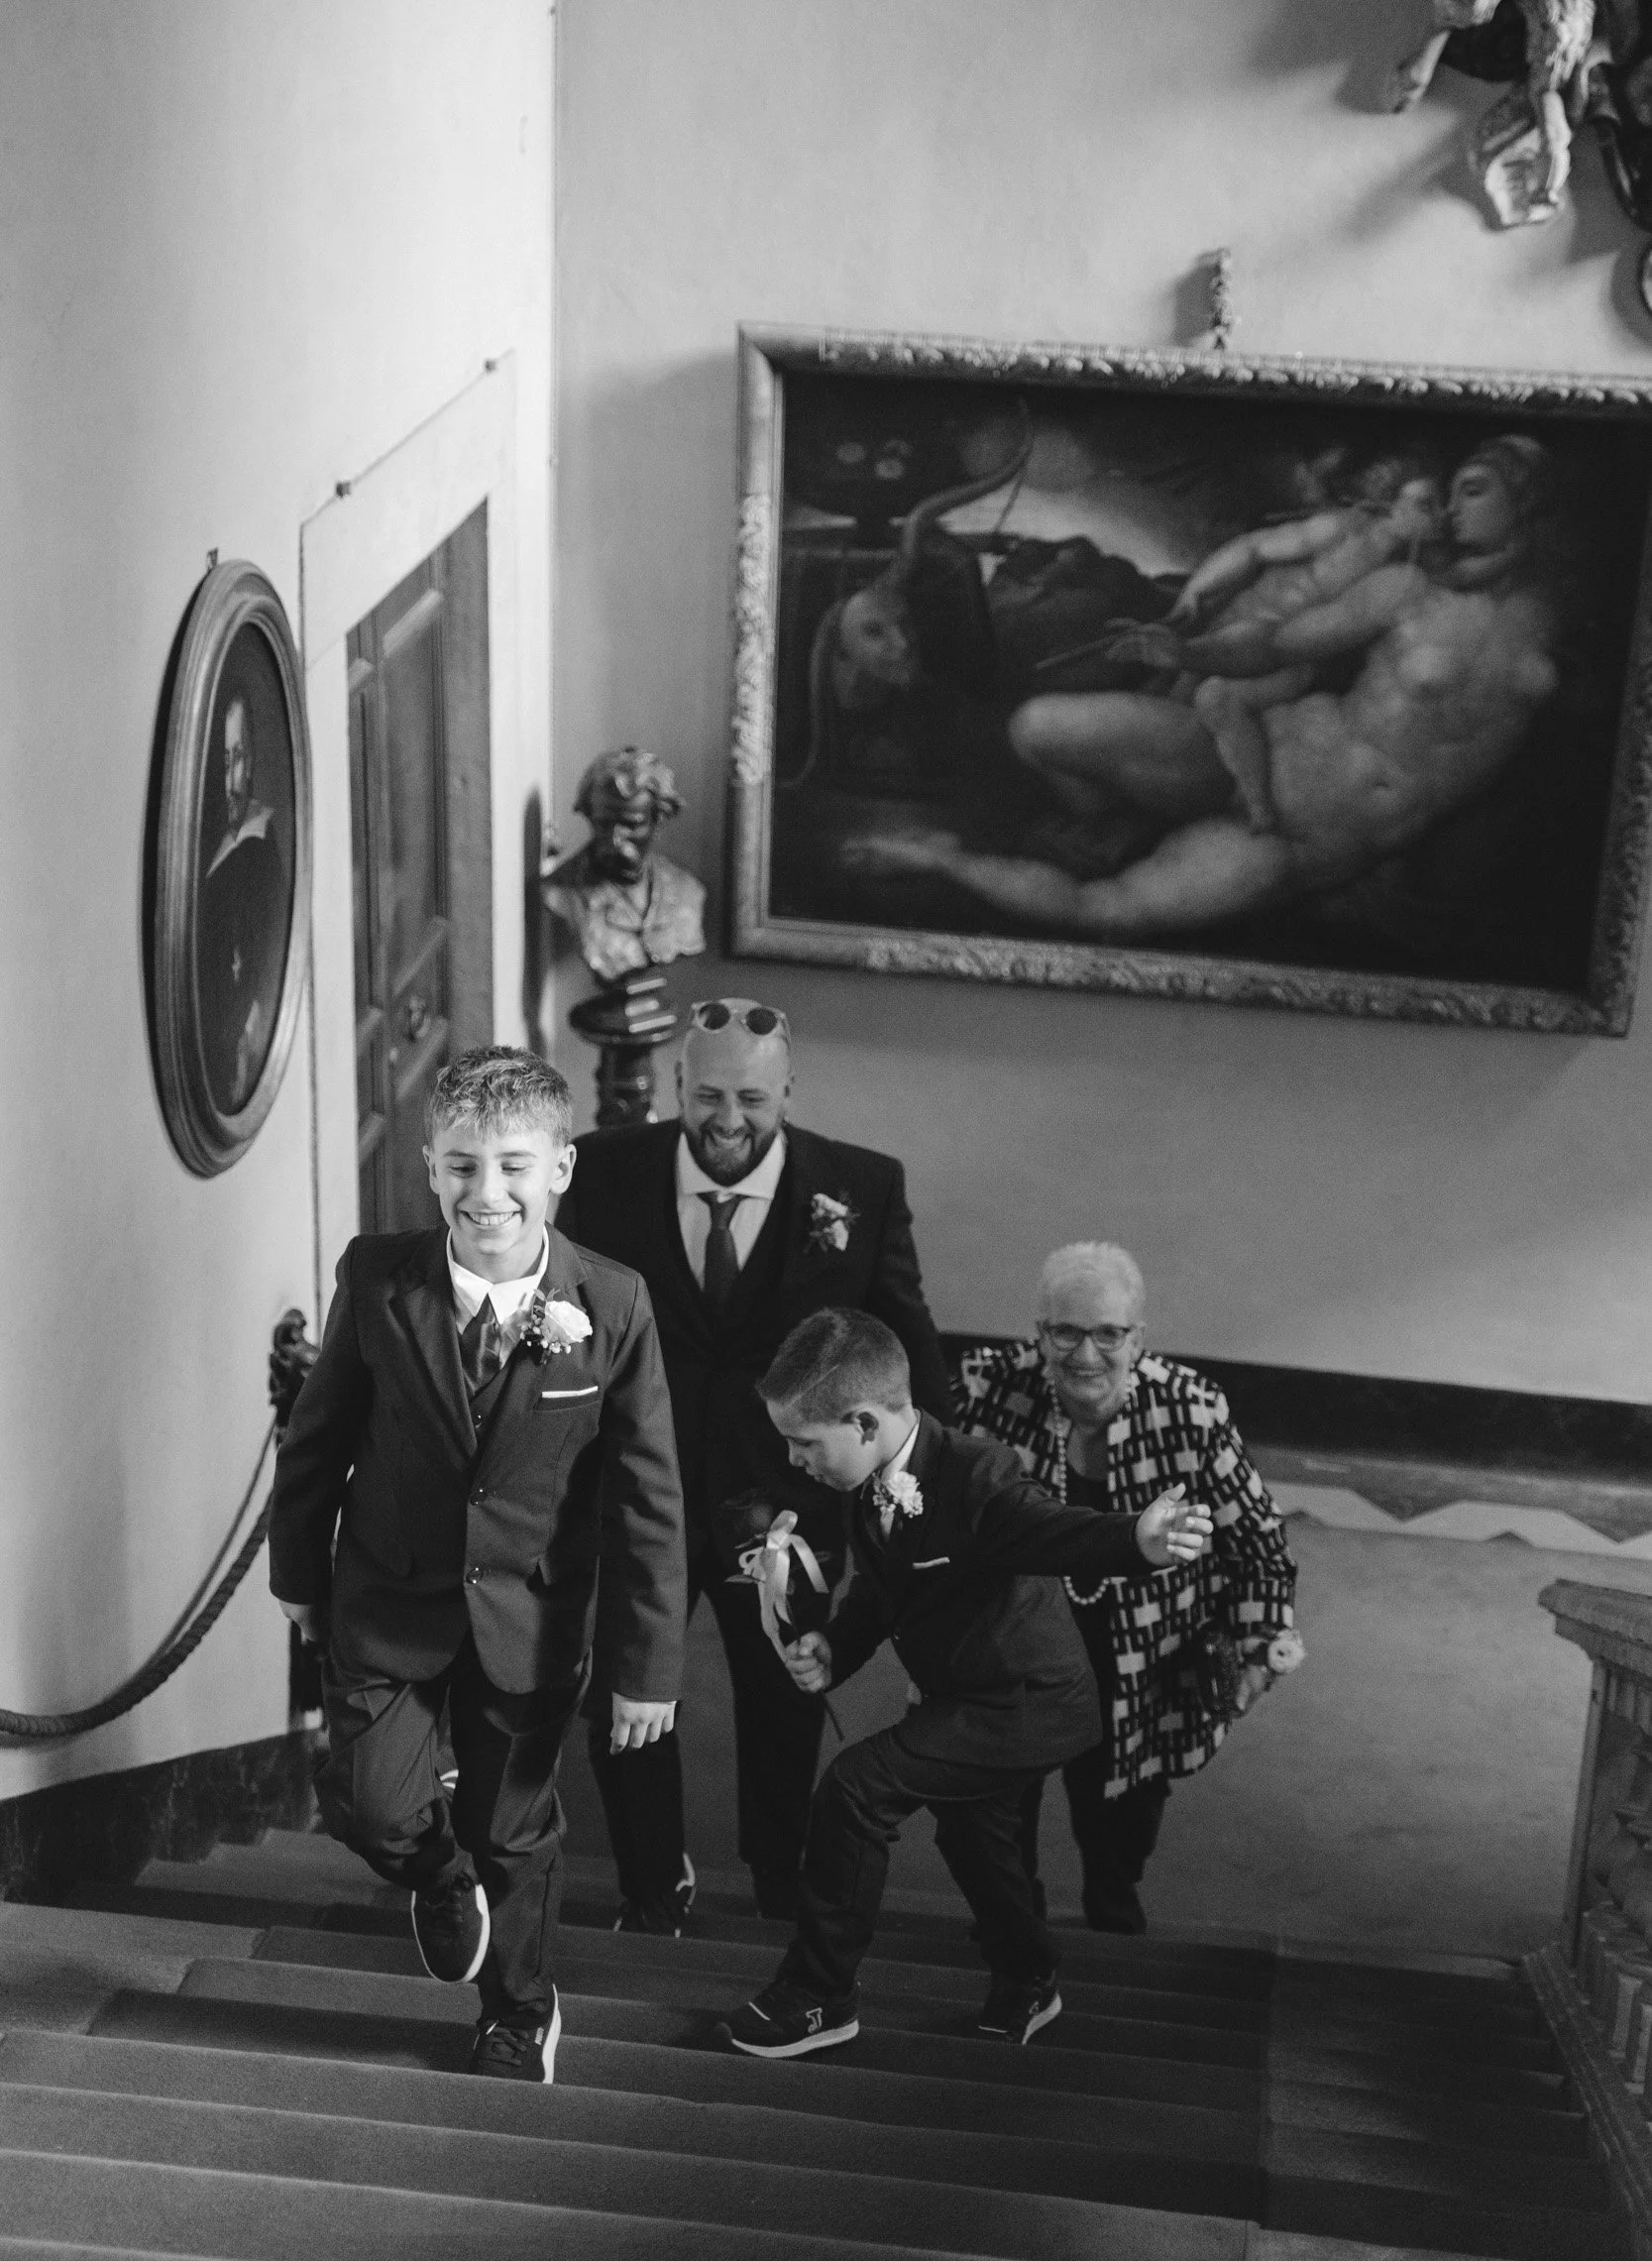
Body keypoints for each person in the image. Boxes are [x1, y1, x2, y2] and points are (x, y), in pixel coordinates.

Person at [269, 1046, 686, 2081]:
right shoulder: (377, 1277)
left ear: (560, 1169)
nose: (484, 1191)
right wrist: (299, 1579)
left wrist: (647, 1668)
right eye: (460, 1164)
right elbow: (318, 1437)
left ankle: (518, 2011)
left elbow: (647, 1499)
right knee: (369, 1804)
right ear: (428, 1165)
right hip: (385, 1595)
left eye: (511, 1165)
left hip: (530, 1617)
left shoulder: (615, 1303)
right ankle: (437, 1874)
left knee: (513, 1829)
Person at [714, 1308, 1213, 2058]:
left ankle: (818, 1994)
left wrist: (1135, 1540)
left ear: (864, 1422)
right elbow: (882, 1589)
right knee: (975, 1836)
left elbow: (1049, 1529)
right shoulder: (870, 1479)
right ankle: (1030, 1974)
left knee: (856, 1790)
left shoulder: (979, 1475)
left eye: (805, 1442)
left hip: (1027, 1703)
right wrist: (834, 1647)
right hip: (961, 1696)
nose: (793, 1459)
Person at [556, 998, 954, 1929]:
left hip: (787, 1500)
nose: (726, 1121)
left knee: (782, 1696)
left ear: (788, 1093)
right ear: (676, 1085)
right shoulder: (604, 1170)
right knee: (625, 1694)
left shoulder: (860, 1186)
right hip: (639, 1490)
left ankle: (779, 1878)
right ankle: (651, 1886)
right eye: (706, 1097)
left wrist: (931, 1477)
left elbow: (905, 1335)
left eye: (751, 1100)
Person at [843, 436, 1561, 942]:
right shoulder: (1404, 588)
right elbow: (1276, 644)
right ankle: (1098, 821)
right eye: (1449, 492)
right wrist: (1185, 648)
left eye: (1472, 490)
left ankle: (940, 857)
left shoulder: (1549, 613)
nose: (1449, 509)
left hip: (1301, 840)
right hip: (1263, 749)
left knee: (1108, 912)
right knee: (1037, 726)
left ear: (1525, 504)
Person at [957, 1244, 1302, 1935]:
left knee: (1123, 1808)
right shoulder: (988, 1389)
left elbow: (1257, 1537)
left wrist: (1259, 1643)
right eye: (1065, 1332)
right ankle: (1017, 1929)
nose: (1086, 1354)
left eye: (1108, 1334)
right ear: (1039, 1333)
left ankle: (1111, 1903)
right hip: (1019, 1643)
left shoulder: (1191, 1409)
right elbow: (947, 1522)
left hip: (1149, 1653)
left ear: (1137, 1338)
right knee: (1001, 1801)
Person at [540, 744, 706, 984]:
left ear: (657, 820)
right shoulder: (560, 892)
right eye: (604, 824)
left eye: (631, 825)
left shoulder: (687, 890)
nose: (616, 840)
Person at [198, 688, 291, 1113]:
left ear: (250, 761)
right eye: (222, 763)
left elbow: (260, 972)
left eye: (237, 759)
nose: (230, 783)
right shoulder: (203, 843)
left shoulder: (258, 850)